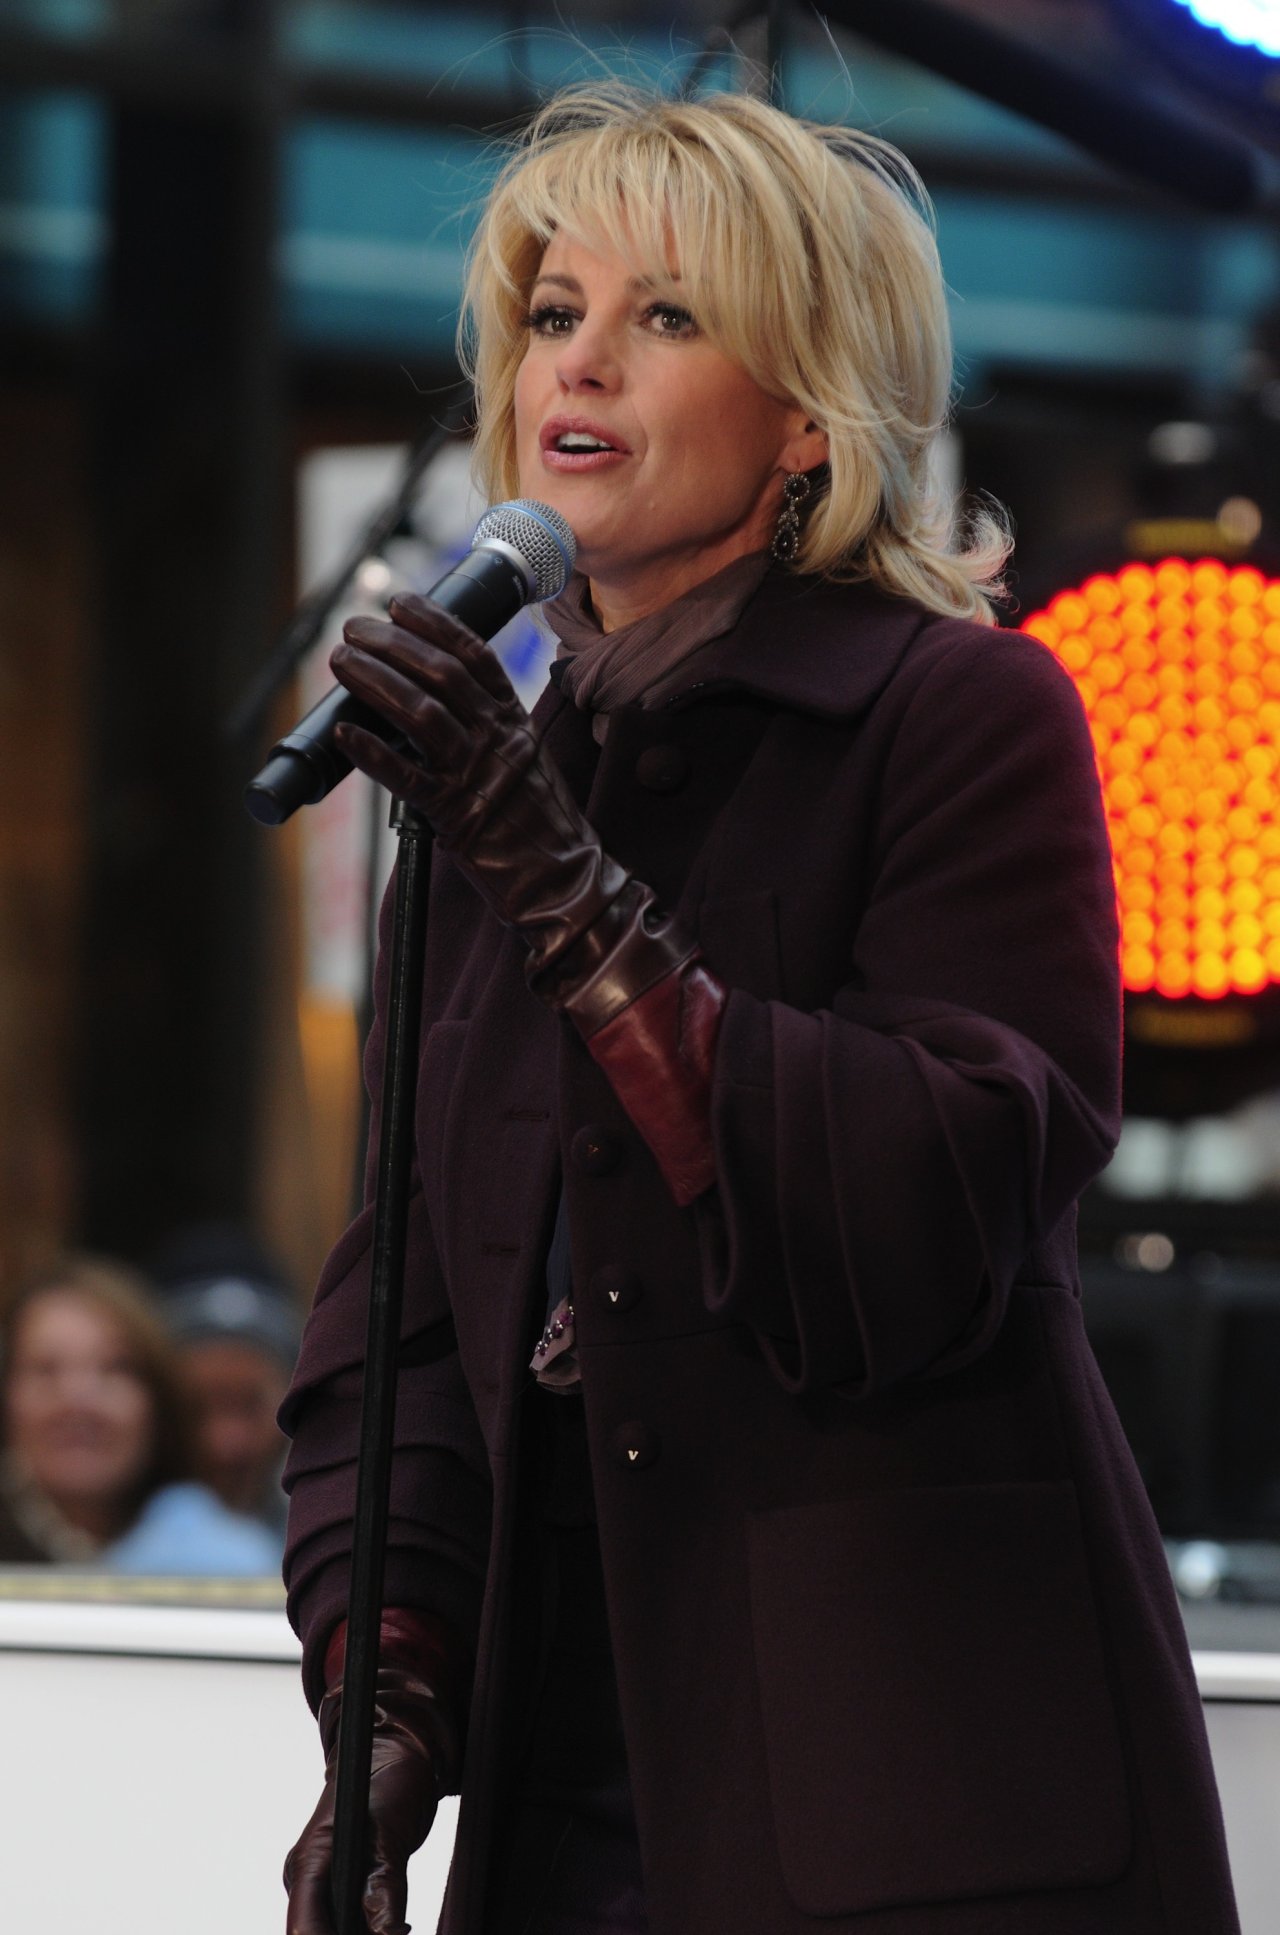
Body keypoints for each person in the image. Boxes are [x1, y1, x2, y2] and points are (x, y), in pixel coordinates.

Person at [280, 85, 1240, 1935]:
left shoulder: (960, 714)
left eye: (667, 315)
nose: (581, 363)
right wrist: (383, 1710)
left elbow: (931, 1199)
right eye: (555, 313)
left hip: (914, 1791)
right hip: (564, 1792)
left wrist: (548, 864)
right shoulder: (494, 784)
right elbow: (401, 1326)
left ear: (809, 415)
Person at [0, 1254, 279, 1575]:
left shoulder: (229, 1563)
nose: (78, 1398)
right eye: (45, 1369)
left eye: (114, 1368)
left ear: (159, 1400)